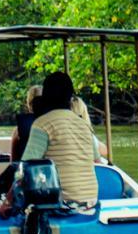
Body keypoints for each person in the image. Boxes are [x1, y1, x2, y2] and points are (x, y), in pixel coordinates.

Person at [11, 71, 101, 210]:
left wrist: (6, 202)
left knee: (1, 205)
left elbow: (24, 169)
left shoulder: (42, 124)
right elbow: (97, 161)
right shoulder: (84, 124)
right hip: (91, 201)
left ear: (45, 97)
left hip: (63, 204)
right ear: (70, 97)